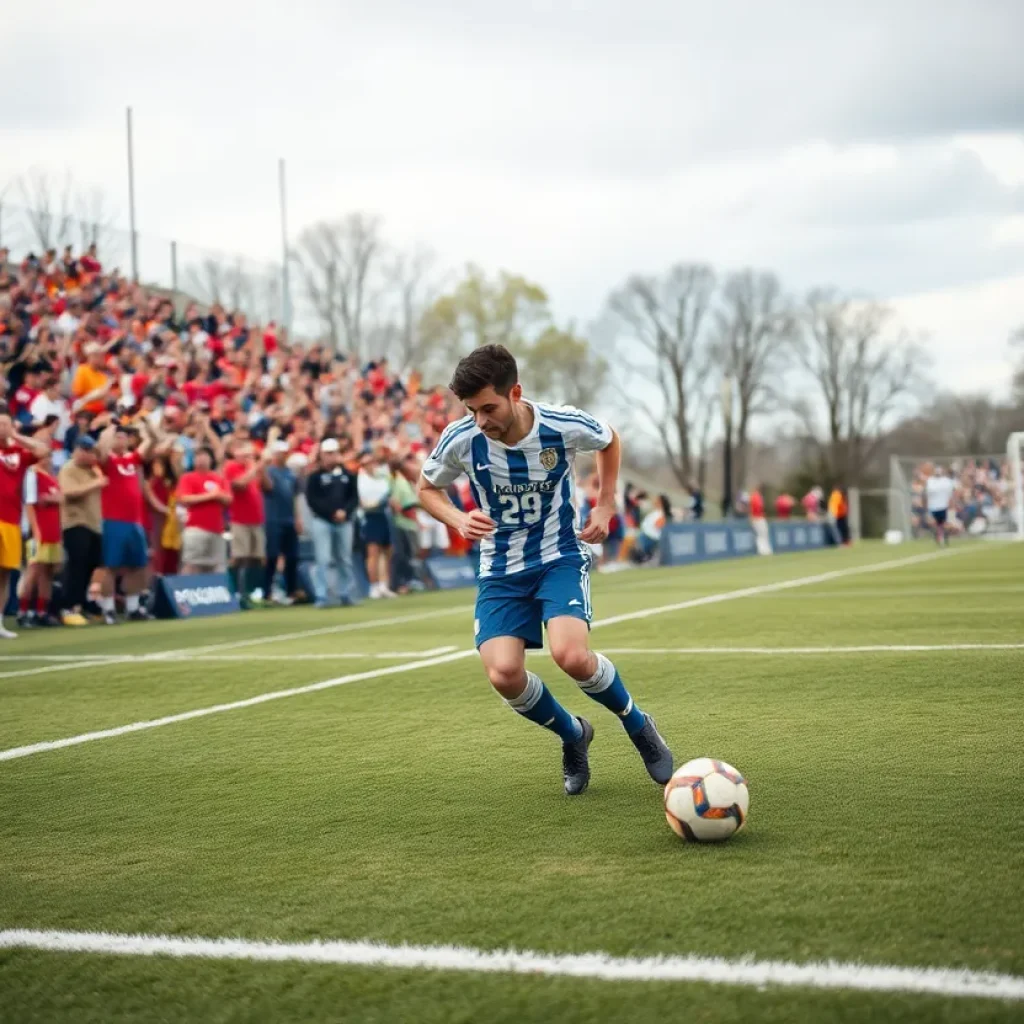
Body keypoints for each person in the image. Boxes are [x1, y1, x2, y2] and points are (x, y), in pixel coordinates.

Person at [416, 343, 673, 796]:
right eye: (472, 410)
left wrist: (606, 503)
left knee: (571, 656)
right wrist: (458, 519)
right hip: (500, 569)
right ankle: (574, 735)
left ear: (515, 392)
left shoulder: (561, 424)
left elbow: (609, 437)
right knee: (503, 675)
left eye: (489, 407)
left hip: (558, 555)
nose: (482, 420)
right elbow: (426, 488)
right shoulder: (461, 438)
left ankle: (638, 725)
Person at [97, 422, 153, 622]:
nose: (121, 439)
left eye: (123, 437)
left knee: (137, 565)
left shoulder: (132, 459)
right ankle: (108, 609)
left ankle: (133, 607)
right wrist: (110, 428)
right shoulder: (106, 461)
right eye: (117, 437)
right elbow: (101, 448)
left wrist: (145, 428)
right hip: (113, 520)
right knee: (111, 566)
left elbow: (149, 442)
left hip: (135, 521)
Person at [0, 411, 49, 638]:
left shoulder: (18, 453)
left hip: (11, 520)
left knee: (5, 574)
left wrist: (16, 436)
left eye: (5, 424)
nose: (1, 427)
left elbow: (43, 450)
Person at [305, 438, 359, 607]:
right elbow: (312, 500)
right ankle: (322, 595)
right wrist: (331, 513)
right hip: (322, 521)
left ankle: (345, 593)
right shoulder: (315, 476)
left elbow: (354, 498)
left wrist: (345, 512)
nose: (331, 457)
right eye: (328, 454)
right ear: (321, 455)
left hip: (344, 522)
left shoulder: (348, 475)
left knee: (344, 558)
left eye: (334, 453)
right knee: (323, 559)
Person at [19, 443, 63, 627]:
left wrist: (55, 499)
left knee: (48, 571)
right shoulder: (32, 474)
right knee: (33, 569)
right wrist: (35, 530)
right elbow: (30, 503)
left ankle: (41, 611)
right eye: (45, 456)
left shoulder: (51, 476)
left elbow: (61, 497)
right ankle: (23, 612)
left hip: (53, 530)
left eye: (49, 456)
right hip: (39, 529)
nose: (48, 460)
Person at [223, 437, 269, 608]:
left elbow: (267, 486)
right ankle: (234, 592)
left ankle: (249, 592)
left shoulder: (253, 470)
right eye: (246, 455)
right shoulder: (232, 468)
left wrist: (261, 471)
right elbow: (239, 485)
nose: (250, 458)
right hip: (239, 519)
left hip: (256, 519)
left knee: (256, 557)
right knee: (239, 557)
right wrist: (255, 467)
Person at [177, 446, 231, 574]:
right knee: (192, 564)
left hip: (217, 529)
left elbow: (228, 499)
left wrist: (218, 496)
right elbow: (184, 499)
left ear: (210, 459)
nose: (201, 459)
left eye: (205, 456)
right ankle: (187, 591)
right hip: (195, 528)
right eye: (198, 456)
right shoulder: (187, 477)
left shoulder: (219, 478)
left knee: (217, 566)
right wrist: (211, 496)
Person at [262, 440, 303, 604]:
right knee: (272, 556)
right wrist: (263, 466)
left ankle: (291, 591)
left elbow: (293, 497)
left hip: (289, 520)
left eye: (285, 452)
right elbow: (268, 487)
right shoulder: (270, 471)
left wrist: (298, 517)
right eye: (280, 452)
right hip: (273, 519)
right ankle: (267, 592)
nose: (283, 455)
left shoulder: (290, 473)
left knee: (292, 557)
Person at [358, 448, 396, 599]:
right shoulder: (361, 480)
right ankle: (373, 587)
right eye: (367, 462)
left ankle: (383, 585)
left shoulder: (381, 477)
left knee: (386, 552)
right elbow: (364, 503)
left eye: (372, 462)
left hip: (383, 516)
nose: (371, 465)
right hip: (369, 518)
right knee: (373, 553)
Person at [925, 465, 956, 547]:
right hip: (933, 506)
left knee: (943, 524)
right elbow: (929, 493)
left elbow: (950, 493)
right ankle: (940, 536)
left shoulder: (946, 481)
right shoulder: (931, 481)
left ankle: (942, 536)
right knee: (937, 524)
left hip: (943, 506)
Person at [749, 483, 772, 556]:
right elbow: (756, 508)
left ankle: (766, 550)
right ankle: (762, 550)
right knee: (761, 534)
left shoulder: (757, 496)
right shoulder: (755, 496)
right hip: (757, 518)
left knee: (764, 534)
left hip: (759, 517)